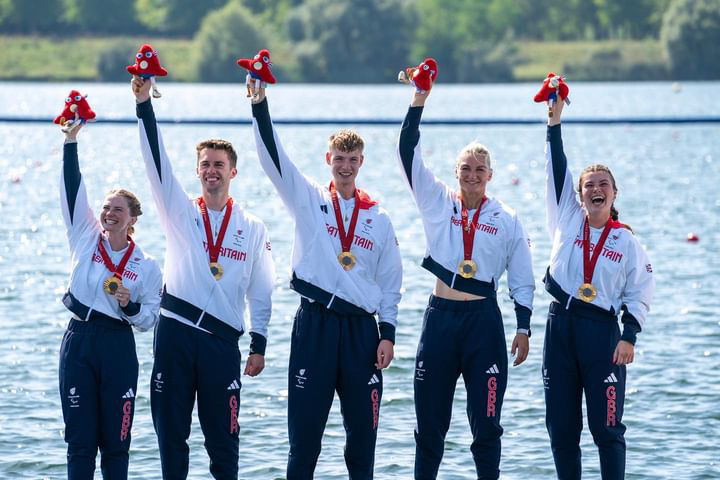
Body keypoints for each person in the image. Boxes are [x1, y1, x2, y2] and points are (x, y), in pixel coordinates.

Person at [247, 80, 402, 480]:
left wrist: (388, 334)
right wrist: (259, 103)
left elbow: (390, 281)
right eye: (339, 159)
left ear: (361, 163)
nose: (345, 166)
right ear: (327, 159)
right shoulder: (309, 199)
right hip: (314, 325)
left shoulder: (378, 218)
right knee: (305, 439)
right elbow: (272, 158)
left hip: (360, 334)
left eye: (352, 159)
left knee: (362, 439)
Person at [131, 76, 275, 479]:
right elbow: (155, 161)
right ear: (197, 171)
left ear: (233, 172)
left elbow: (262, 288)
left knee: (224, 445)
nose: (212, 171)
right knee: (171, 440)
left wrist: (259, 342)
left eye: (219, 165)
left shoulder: (252, 226)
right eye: (206, 165)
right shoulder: (179, 211)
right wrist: (144, 104)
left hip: (222, 344)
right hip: (176, 336)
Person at [397, 80, 535, 480]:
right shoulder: (436, 200)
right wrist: (418, 101)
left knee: (487, 428)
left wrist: (524, 328)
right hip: (440, 320)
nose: (472, 175)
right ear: (455, 173)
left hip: (484, 325)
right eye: (465, 169)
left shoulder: (506, 218)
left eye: (479, 170)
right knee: (429, 429)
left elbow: (522, 280)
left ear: (490, 174)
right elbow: (407, 153)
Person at [541, 85, 654, 479]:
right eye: (589, 184)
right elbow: (557, 166)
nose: (595, 189)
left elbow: (641, 290)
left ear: (614, 193)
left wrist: (630, 336)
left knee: (606, 428)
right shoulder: (567, 219)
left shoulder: (626, 241)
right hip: (560, 328)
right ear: (578, 195)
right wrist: (554, 123)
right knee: (561, 428)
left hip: (602, 334)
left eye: (603, 184)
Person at [58, 122, 162, 479]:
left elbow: (150, 319)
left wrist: (130, 305)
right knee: (80, 441)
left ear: (132, 220)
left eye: (118, 210)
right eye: (106, 208)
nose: (109, 213)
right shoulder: (85, 238)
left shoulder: (146, 265)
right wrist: (70, 143)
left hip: (118, 344)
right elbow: (73, 194)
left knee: (116, 442)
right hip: (80, 340)